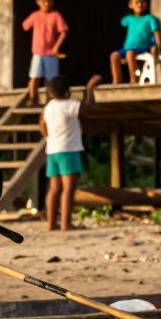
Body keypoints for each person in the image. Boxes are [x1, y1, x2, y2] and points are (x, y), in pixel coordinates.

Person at [41, 74, 101, 231]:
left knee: (54, 188)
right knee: (68, 188)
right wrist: (90, 88)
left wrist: (49, 136)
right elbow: (89, 106)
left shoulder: (49, 107)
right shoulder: (69, 105)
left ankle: (51, 224)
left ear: (50, 93)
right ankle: (65, 223)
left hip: (52, 150)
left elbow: (42, 125)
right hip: (68, 150)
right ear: (67, 91)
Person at [20, 0, 69, 105]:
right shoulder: (35, 15)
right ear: (38, 2)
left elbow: (64, 32)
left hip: (51, 53)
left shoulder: (56, 15)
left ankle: (51, 99)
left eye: (48, 1)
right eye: (43, 1)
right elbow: (25, 26)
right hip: (37, 52)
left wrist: (57, 46)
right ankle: (33, 98)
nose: (46, 3)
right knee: (34, 76)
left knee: (51, 79)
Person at [110, 0, 161, 84]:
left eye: (142, 2)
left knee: (130, 54)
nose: (140, 4)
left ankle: (134, 80)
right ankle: (117, 81)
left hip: (143, 47)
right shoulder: (128, 19)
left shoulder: (150, 19)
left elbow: (156, 34)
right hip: (127, 48)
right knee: (114, 56)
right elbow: (120, 24)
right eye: (137, 2)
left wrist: (157, 47)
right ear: (130, 5)